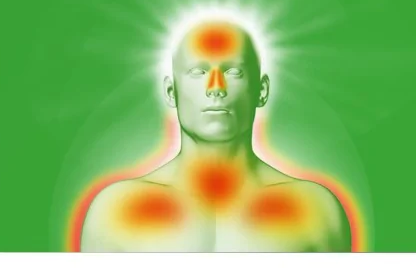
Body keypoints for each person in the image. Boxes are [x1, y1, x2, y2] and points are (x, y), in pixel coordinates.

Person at [81, 20, 352, 252]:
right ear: (171, 92)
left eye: (233, 71)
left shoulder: (318, 211)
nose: (215, 87)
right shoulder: (113, 212)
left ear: (261, 90)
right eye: (198, 72)